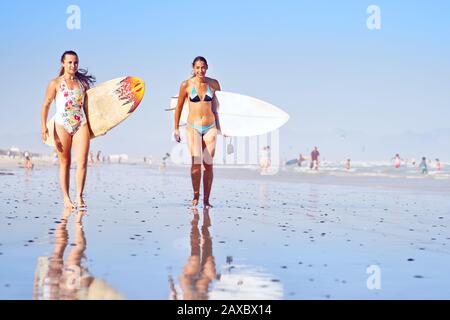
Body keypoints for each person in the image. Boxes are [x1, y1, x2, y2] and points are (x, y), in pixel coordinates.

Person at [41, 50, 95, 209]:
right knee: (65, 162)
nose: (73, 65)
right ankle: (66, 198)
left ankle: (79, 196)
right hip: (62, 124)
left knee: (83, 161)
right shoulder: (55, 83)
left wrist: (97, 127)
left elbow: (87, 107)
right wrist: (43, 125)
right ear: (63, 63)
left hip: (81, 123)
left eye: (76, 62)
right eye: (70, 62)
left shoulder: (82, 84)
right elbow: (46, 105)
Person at [174, 56, 221, 208]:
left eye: (203, 67)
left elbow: (219, 107)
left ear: (207, 67)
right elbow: (179, 107)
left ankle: (206, 200)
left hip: (210, 126)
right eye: (198, 67)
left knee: (208, 163)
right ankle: (196, 196)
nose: (201, 70)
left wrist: (224, 127)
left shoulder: (213, 84)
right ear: (193, 68)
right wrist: (176, 128)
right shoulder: (186, 85)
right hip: (192, 126)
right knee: (196, 161)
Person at [169, 207, 218, 300]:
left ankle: (196, 220)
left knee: (196, 253)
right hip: (198, 287)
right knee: (206, 253)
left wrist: (173, 290)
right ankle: (198, 221)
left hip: (189, 285)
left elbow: (174, 295)